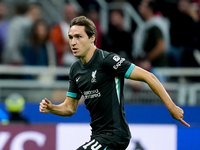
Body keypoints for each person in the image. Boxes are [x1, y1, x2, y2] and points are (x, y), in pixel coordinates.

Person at [39, 16, 190, 150]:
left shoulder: (107, 60)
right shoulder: (75, 69)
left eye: (79, 37)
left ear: (92, 38)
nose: (73, 42)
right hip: (98, 136)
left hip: (114, 135)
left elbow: (148, 76)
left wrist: (171, 107)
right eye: (71, 37)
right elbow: (70, 108)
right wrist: (52, 108)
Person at [133, 0, 170, 70]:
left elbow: (161, 46)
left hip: (157, 67)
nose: (139, 7)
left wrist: (147, 58)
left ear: (149, 9)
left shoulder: (156, 25)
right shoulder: (143, 25)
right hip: (147, 67)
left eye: (142, 6)